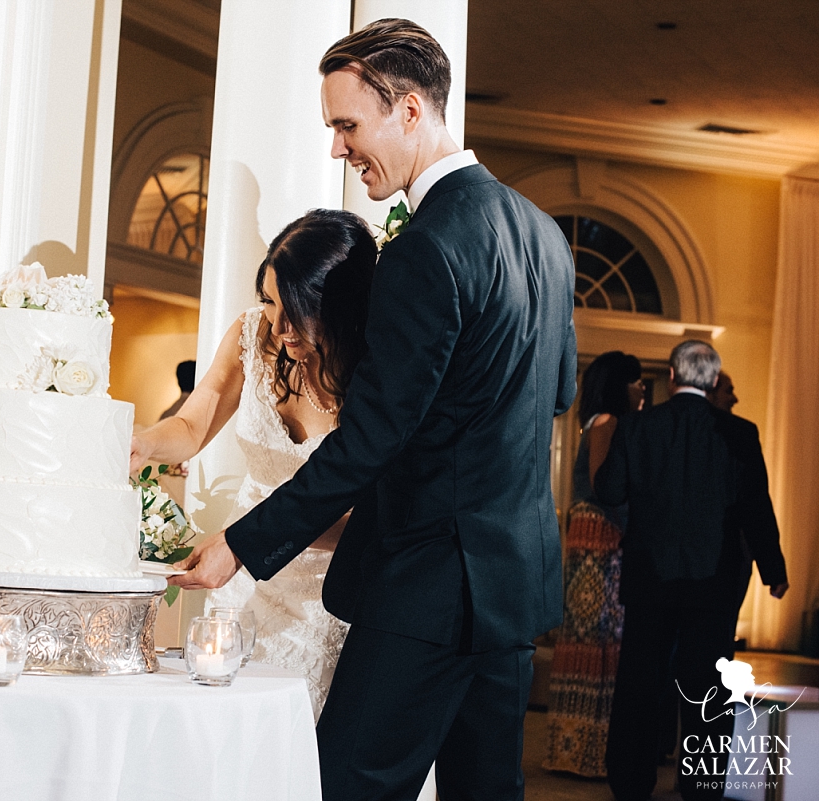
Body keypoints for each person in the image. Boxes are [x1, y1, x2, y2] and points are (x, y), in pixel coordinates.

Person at [171, 19, 577, 800]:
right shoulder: (545, 237)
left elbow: (370, 441)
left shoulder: (427, 247)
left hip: (428, 586)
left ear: (412, 111)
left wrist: (243, 543)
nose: (338, 148)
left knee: (345, 786)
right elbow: (553, 395)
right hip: (512, 590)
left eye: (348, 125)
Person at [130, 208, 377, 714]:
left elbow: (373, 517)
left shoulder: (378, 370)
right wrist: (147, 444)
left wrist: (254, 538)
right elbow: (193, 424)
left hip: (330, 593)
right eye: (270, 301)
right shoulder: (252, 337)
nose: (280, 325)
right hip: (240, 582)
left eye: (299, 309)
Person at [594, 340, 788, 801]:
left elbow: (609, 489)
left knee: (640, 687)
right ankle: (700, 786)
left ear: (675, 377)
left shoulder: (638, 427)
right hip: (711, 583)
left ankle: (630, 782)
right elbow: (755, 508)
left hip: (649, 581)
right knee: (707, 691)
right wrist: (772, 569)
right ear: (712, 379)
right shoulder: (740, 433)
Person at [544, 351, 643, 777]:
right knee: (599, 639)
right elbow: (605, 486)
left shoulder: (594, 421)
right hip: (600, 534)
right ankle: (588, 750)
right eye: (635, 381)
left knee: (589, 638)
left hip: (588, 533)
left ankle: (576, 749)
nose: (641, 388)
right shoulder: (608, 423)